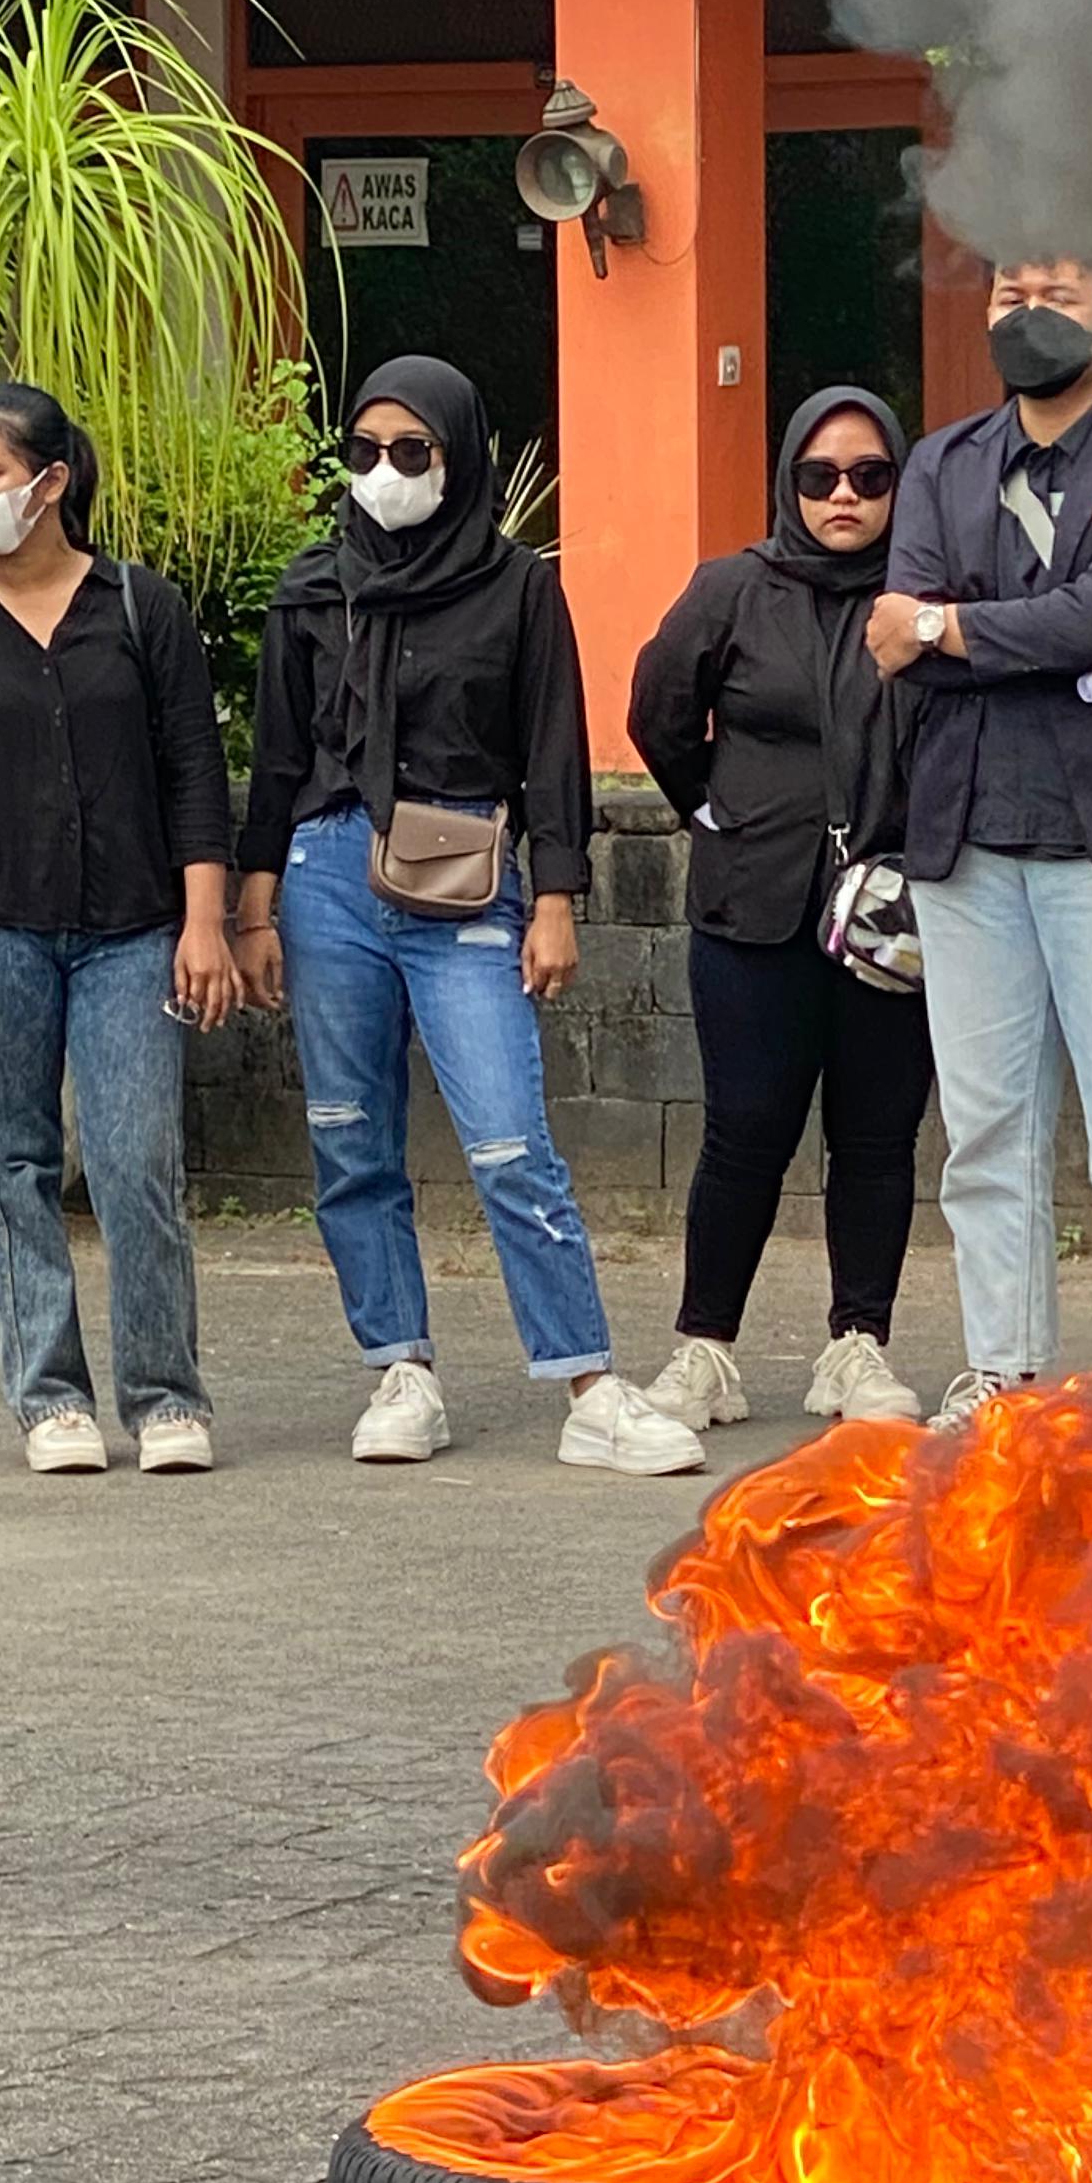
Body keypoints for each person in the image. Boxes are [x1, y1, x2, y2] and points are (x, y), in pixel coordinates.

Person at [231, 354, 701, 1478]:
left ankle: (587, 1382)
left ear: (459, 455)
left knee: (507, 1138)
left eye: (412, 453)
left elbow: (551, 752)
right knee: (349, 1139)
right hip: (327, 873)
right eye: (364, 453)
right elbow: (279, 756)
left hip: (464, 875)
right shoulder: (313, 588)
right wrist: (255, 905)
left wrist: (556, 900)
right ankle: (400, 1370)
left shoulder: (515, 587)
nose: (385, 473)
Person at [869, 257, 1092, 1424]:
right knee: (983, 1132)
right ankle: (1004, 1372)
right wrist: (1070, 643)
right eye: (1008, 290)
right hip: (966, 832)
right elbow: (894, 634)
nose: (1026, 314)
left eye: (1060, 294)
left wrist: (949, 625)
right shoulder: (942, 462)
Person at [0, 385, 238, 1475]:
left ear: (52, 483)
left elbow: (194, 775)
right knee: (14, 1170)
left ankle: (166, 1395)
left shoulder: (142, 609)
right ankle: (50, 1400)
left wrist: (207, 923)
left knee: (137, 1164)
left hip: (133, 933)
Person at [628, 385, 933, 1433]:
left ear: (900, 484)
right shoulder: (733, 588)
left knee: (878, 1136)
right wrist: (716, 809)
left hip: (889, 919)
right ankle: (705, 1348)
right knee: (745, 1131)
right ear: (787, 483)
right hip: (753, 905)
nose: (843, 496)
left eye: (870, 477)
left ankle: (859, 1344)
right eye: (820, 476)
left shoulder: (921, 598)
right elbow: (660, 708)